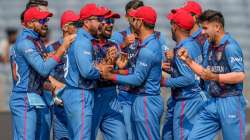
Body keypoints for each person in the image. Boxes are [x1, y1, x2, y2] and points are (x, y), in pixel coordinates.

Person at [178, 10, 246, 140]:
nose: (202, 32)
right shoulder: (210, 46)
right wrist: (187, 60)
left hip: (231, 102)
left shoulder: (230, 46)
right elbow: (205, 73)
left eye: (205, 28)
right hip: (212, 102)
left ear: (217, 27)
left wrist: (215, 77)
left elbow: (240, 75)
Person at [9, 7, 75, 140]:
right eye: (41, 20)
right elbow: (43, 69)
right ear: (30, 23)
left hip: (36, 96)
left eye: (47, 20)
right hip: (24, 98)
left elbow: (43, 71)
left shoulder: (37, 41)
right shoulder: (25, 42)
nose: (46, 23)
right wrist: (62, 48)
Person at [102, 6, 164, 140]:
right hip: (141, 99)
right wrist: (116, 70)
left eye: (135, 19)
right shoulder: (146, 44)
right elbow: (135, 71)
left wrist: (111, 76)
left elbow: (137, 79)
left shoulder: (148, 48)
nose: (131, 21)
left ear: (140, 22)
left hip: (147, 101)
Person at [62, 3, 110, 140]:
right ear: (86, 22)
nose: (101, 22)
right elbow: (87, 72)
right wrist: (101, 72)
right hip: (80, 94)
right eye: (97, 19)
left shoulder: (83, 39)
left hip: (77, 93)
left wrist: (100, 66)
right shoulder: (82, 41)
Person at [161, 8, 204, 140]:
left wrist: (163, 82)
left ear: (175, 26)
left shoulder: (182, 49)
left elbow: (188, 78)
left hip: (187, 100)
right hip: (195, 98)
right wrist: (171, 68)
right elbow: (189, 71)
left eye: (171, 23)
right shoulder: (194, 43)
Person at [90, 7, 127, 140]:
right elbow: (87, 72)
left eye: (112, 21)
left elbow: (122, 73)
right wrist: (106, 62)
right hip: (92, 96)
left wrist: (118, 69)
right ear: (98, 22)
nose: (111, 24)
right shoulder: (87, 44)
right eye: (108, 21)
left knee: (121, 136)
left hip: (112, 97)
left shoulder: (114, 45)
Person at [46, 10, 79, 140]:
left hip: (78, 103)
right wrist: (56, 89)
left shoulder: (82, 46)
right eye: (75, 24)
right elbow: (46, 74)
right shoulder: (52, 48)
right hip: (60, 105)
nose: (79, 27)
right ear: (65, 27)